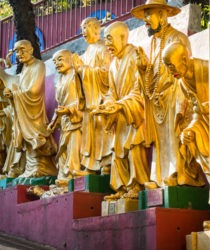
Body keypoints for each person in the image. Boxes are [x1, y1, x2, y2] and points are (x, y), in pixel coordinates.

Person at [131, 0, 192, 187]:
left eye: (149, 14)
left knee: (174, 139)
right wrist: (142, 69)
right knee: (161, 143)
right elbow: (150, 77)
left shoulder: (177, 38)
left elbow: (185, 71)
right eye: (145, 15)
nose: (146, 20)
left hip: (174, 96)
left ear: (163, 15)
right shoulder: (152, 43)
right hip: (158, 102)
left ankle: (179, 174)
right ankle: (159, 178)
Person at [93, 22, 150, 200]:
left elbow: (139, 88)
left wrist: (120, 105)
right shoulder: (113, 65)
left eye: (110, 39)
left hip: (133, 113)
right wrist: (108, 104)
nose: (107, 44)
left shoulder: (134, 56)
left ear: (123, 38)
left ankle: (137, 185)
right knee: (118, 153)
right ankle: (123, 187)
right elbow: (111, 92)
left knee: (133, 150)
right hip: (119, 116)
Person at [3, 40, 58, 178]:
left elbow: (34, 90)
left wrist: (15, 94)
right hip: (24, 110)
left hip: (34, 110)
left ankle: (41, 167)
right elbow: (22, 89)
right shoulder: (24, 69)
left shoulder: (39, 65)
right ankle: (30, 168)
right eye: (16, 51)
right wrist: (12, 95)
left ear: (31, 50)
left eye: (22, 50)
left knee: (36, 139)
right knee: (26, 141)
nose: (19, 54)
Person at [162, 41, 209, 186]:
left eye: (171, 66)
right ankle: (186, 176)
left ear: (184, 60)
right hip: (205, 123)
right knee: (184, 136)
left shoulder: (207, 69)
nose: (170, 71)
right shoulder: (182, 82)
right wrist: (190, 129)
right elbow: (197, 112)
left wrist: (209, 107)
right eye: (167, 67)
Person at [73, 17, 113, 175]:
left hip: (100, 97)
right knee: (90, 135)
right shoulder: (88, 51)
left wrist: (84, 70)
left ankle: (106, 165)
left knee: (102, 133)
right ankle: (90, 167)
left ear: (96, 29)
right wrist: (78, 69)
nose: (83, 31)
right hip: (89, 99)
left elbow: (106, 73)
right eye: (82, 28)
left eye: (87, 27)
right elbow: (81, 72)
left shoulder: (103, 48)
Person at [48, 49, 83, 186]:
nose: (57, 63)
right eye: (54, 62)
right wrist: (53, 121)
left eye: (60, 59)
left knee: (73, 150)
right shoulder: (60, 80)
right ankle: (63, 177)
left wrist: (69, 110)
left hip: (76, 119)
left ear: (70, 59)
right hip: (64, 121)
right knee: (62, 151)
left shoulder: (76, 75)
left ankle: (71, 176)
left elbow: (82, 100)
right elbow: (60, 104)